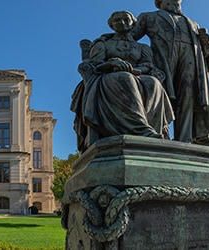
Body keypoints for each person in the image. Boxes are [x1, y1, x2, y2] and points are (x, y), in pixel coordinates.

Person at [72, 10, 174, 152]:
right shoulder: (103, 44)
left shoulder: (142, 48)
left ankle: (154, 132)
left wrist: (134, 70)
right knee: (124, 77)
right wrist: (111, 63)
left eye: (126, 19)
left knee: (154, 83)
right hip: (109, 78)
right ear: (112, 25)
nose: (122, 22)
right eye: (117, 20)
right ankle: (141, 129)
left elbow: (148, 65)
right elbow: (94, 65)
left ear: (133, 23)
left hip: (137, 75)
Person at [131, 0, 209, 144]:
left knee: (188, 96)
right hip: (162, 61)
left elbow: (205, 52)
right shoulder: (148, 17)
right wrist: (106, 41)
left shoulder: (193, 23)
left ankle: (184, 140)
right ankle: (159, 135)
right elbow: (129, 37)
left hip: (190, 58)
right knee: (161, 95)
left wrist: (208, 44)